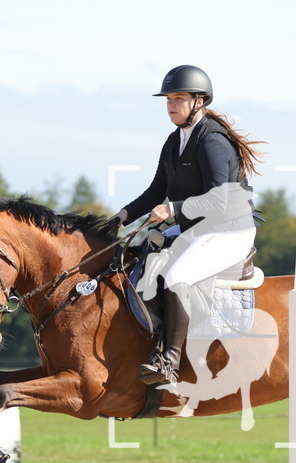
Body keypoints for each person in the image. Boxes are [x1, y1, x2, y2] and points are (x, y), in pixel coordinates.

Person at [112, 65, 265, 385]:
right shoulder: (174, 141)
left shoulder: (213, 142)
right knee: (141, 256)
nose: (171, 104)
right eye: (168, 99)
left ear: (199, 101)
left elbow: (219, 200)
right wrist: (122, 216)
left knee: (177, 276)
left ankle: (168, 361)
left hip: (229, 230)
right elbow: (156, 191)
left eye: (179, 98)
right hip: (196, 228)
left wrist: (173, 209)